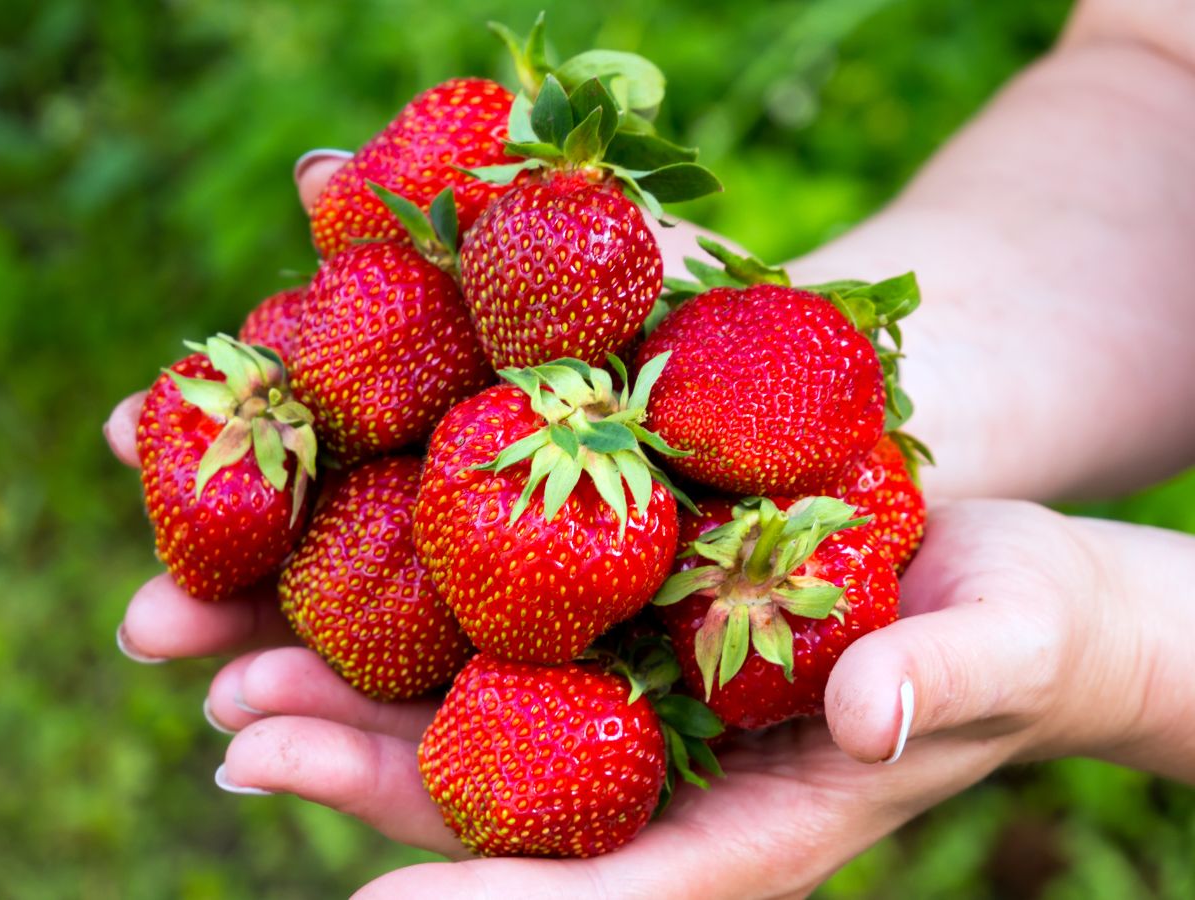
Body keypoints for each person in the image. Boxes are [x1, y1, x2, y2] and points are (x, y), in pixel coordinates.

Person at [103, 0, 1195, 895]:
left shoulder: (585, 494)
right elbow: (1164, 76)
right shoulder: (546, 430)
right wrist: (921, 378)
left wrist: (1130, 647)